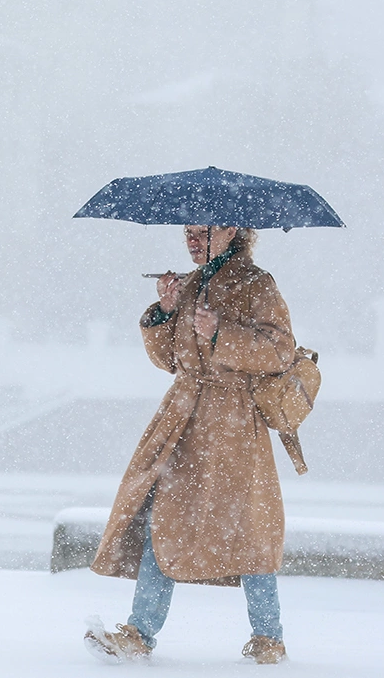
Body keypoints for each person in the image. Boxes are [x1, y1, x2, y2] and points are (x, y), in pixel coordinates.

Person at [84, 224, 296, 665]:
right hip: (182, 419)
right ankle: (139, 634)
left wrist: (222, 331)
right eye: (188, 232)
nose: (192, 240)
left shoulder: (258, 284)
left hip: (234, 425)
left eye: (202, 231)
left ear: (232, 231)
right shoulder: (192, 284)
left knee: (249, 529)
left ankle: (269, 639)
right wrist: (164, 311)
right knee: (164, 521)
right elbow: (170, 361)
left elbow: (279, 351)